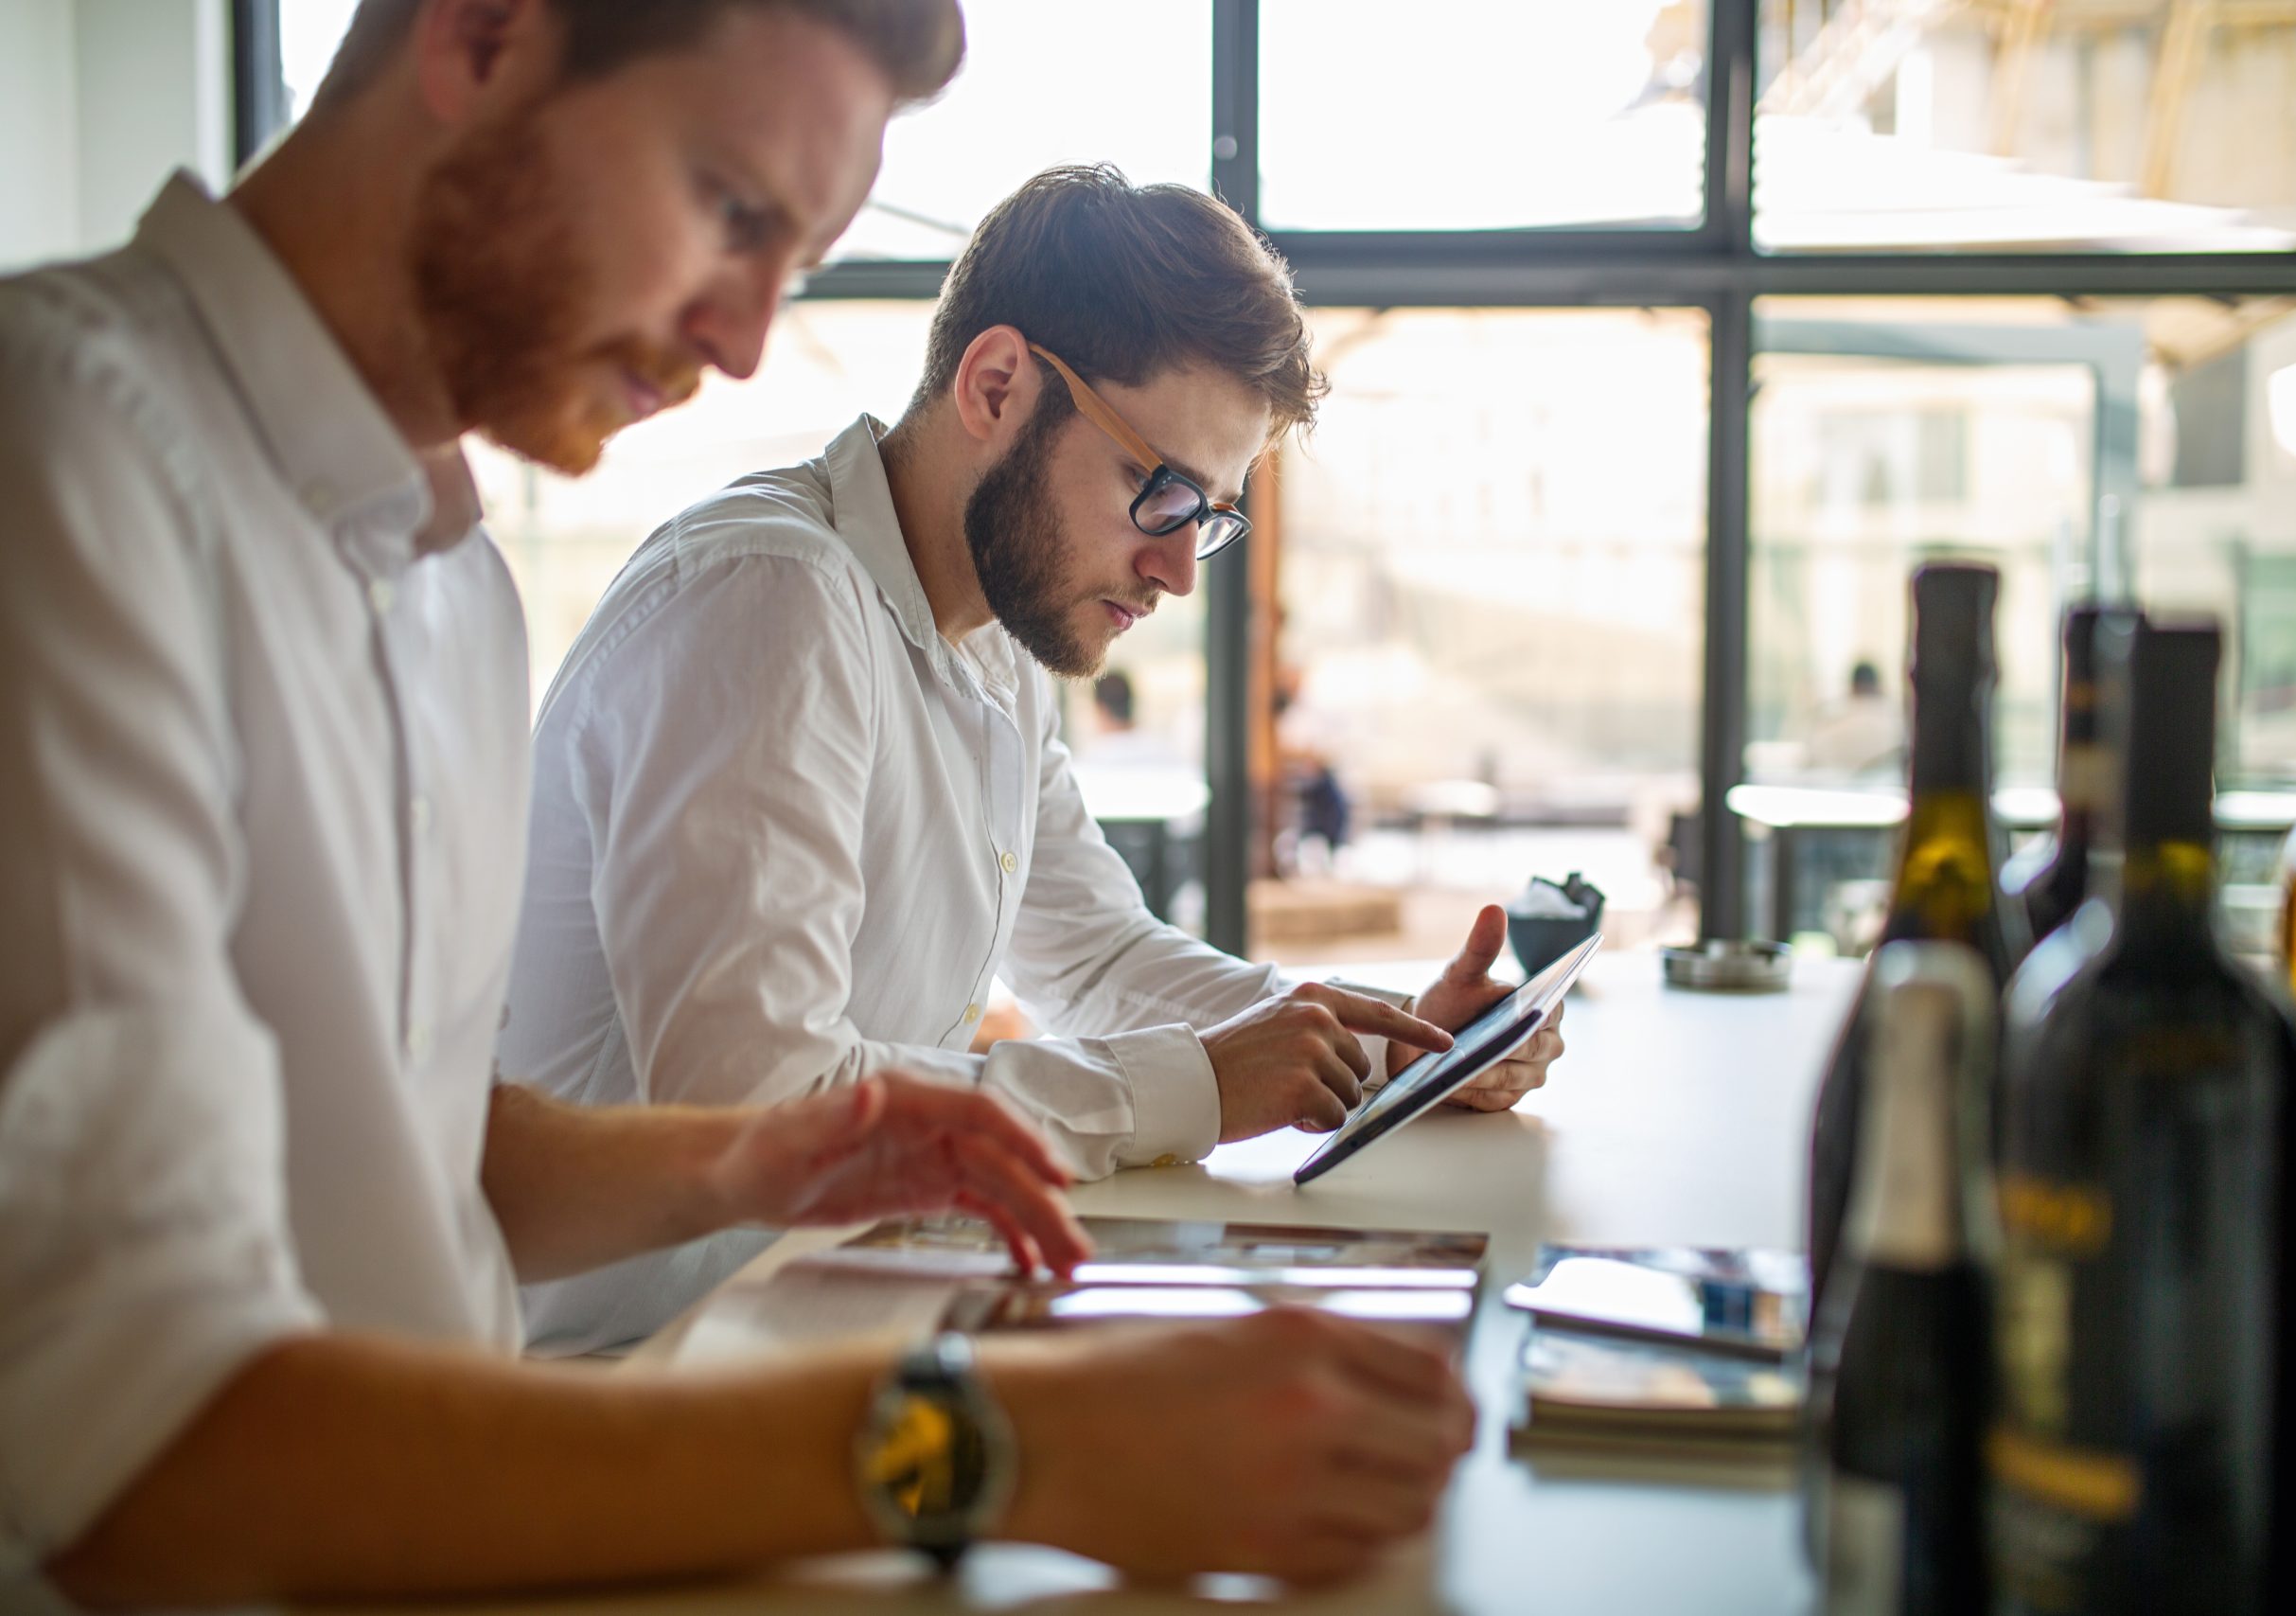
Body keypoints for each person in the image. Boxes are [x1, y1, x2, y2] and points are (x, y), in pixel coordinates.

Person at [0, 2, 1472, 1605]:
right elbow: (143, 1446)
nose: (747, 342)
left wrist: (778, 1158)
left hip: (489, 1501)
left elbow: (405, 1157)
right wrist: (999, 1440)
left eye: (803, 254)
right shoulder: (63, 451)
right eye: (732, 207)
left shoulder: (449, 579)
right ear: (486, 36)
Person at [501, 165, 1570, 1354]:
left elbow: (1095, 953)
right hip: (606, 1370)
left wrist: (1389, 1043)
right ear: (997, 383)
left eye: (1207, 515)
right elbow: (757, 1102)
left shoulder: (996, 642)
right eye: (1159, 492)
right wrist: (1190, 1088)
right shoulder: (771, 600)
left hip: (800, 1308)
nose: (1177, 571)